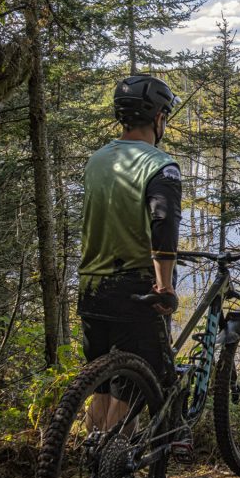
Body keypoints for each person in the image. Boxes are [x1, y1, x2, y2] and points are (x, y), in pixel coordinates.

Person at [78, 74, 183, 430]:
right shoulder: (160, 165)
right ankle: (114, 467)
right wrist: (164, 286)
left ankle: (92, 462)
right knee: (132, 390)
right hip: (135, 290)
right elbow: (163, 225)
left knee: (101, 386)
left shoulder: (96, 160)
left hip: (90, 288)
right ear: (158, 118)